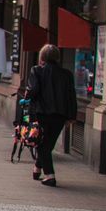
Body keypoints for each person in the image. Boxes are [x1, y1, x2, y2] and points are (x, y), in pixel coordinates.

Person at [25, 44, 78, 187]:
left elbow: (33, 90)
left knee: (42, 145)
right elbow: (71, 96)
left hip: (41, 113)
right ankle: (37, 168)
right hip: (59, 115)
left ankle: (50, 175)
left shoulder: (37, 71)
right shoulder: (67, 74)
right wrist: (72, 116)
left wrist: (28, 94)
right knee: (47, 144)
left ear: (42, 57)